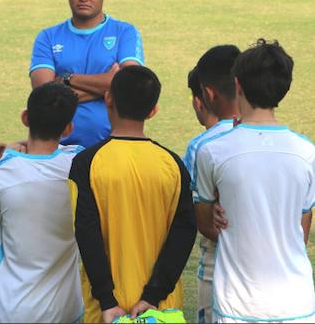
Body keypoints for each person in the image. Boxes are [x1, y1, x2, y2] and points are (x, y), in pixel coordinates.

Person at [194, 40, 315, 323]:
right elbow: (302, 232)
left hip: (237, 305)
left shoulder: (212, 151)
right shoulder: (307, 152)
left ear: (238, 85)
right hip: (296, 302)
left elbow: (205, 224)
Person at [69, 66, 195, 323]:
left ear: (108, 98)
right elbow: (183, 234)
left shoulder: (86, 163)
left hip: (105, 311)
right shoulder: (172, 164)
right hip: (162, 308)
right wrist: (153, 295)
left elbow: (86, 233)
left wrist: (107, 299)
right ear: (153, 110)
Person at [0, 81, 83, 323]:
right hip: (66, 309)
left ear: (25, 117)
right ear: (68, 128)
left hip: (12, 309)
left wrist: (8, 153)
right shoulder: (81, 164)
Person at [29, 0, 144, 147]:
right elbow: (45, 97)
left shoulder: (125, 32)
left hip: (111, 147)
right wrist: (108, 86)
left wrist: (66, 79)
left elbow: (130, 87)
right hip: (58, 149)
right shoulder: (47, 37)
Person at [181, 46, 239, 324]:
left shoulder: (202, 147)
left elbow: (196, 217)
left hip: (218, 267)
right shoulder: (295, 147)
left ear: (208, 94)